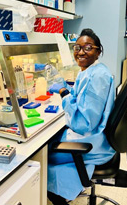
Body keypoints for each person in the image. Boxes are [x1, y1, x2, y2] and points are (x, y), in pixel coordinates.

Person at [47, 28, 116, 205]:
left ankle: (58, 196)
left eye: (88, 47)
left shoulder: (97, 76)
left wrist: (63, 93)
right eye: (77, 47)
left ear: (98, 51)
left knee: (41, 157)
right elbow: (83, 99)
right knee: (50, 142)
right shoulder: (91, 71)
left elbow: (84, 122)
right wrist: (69, 93)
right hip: (93, 137)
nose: (81, 52)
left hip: (91, 142)